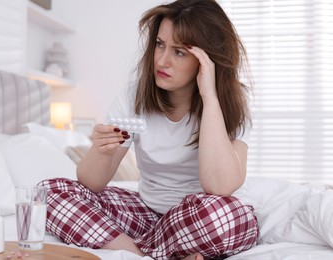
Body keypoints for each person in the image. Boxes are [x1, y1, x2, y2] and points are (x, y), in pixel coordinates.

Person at [39, 0, 258, 259]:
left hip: (199, 216)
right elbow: (91, 183)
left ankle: (140, 247)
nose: (162, 61)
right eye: (160, 44)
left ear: (207, 59)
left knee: (230, 217)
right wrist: (102, 151)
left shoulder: (233, 101)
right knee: (47, 194)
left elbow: (220, 187)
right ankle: (152, 253)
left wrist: (210, 97)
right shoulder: (134, 95)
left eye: (179, 52)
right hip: (144, 213)